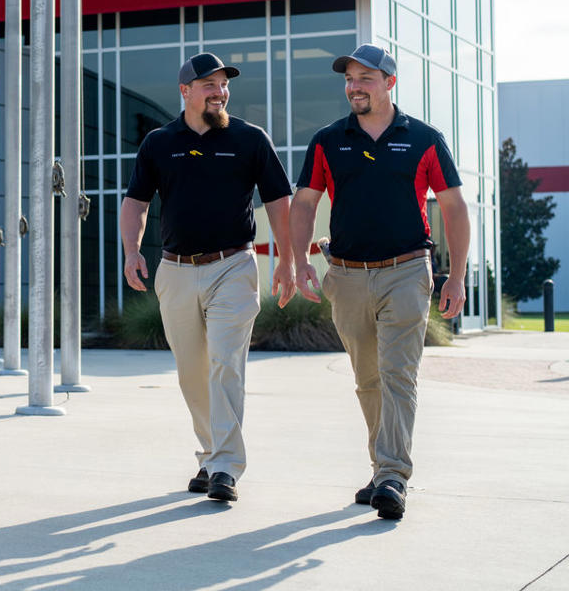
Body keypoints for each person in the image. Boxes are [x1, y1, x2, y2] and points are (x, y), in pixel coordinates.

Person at [290, 43, 469, 521]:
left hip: (407, 270)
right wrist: (299, 261)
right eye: (349, 79)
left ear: (390, 83)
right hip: (346, 275)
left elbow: (452, 206)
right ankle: (381, 468)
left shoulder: (424, 138)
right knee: (368, 379)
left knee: (398, 374)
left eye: (365, 78)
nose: (354, 86)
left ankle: (393, 475)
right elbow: (305, 202)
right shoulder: (329, 140)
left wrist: (459, 276)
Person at [122, 52, 295, 504]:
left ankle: (225, 467)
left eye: (223, 85)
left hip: (233, 266)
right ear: (185, 91)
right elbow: (135, 203)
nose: (220, 92)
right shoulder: (159, 142)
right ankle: (211, 454)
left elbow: (279, 201)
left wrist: (286, 259)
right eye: (209, 85)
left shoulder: (249, 139)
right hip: (176, 271)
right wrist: (131, 251)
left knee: (225, 363)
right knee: (192, 373)